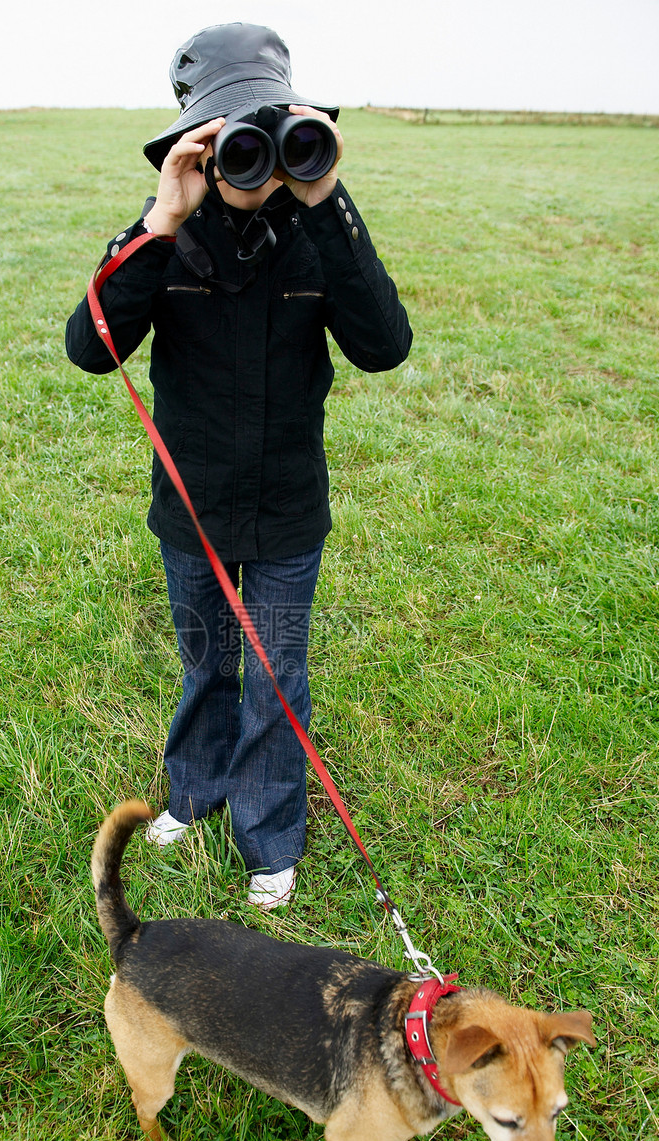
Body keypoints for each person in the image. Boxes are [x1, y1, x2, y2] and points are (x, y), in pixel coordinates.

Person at [66, 22, 412, 908]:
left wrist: (327, 196)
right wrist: (161, 218)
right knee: (207, 660)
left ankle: (268, 836)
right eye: (230, 147)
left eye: (265, 140)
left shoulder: (314, 236)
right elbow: (92, 347)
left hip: (289, 506)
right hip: (193, 507)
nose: (251, 166)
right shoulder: (165, 237)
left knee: (277, 670)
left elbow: (383, 345)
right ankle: (193, 791)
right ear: (196, 150)